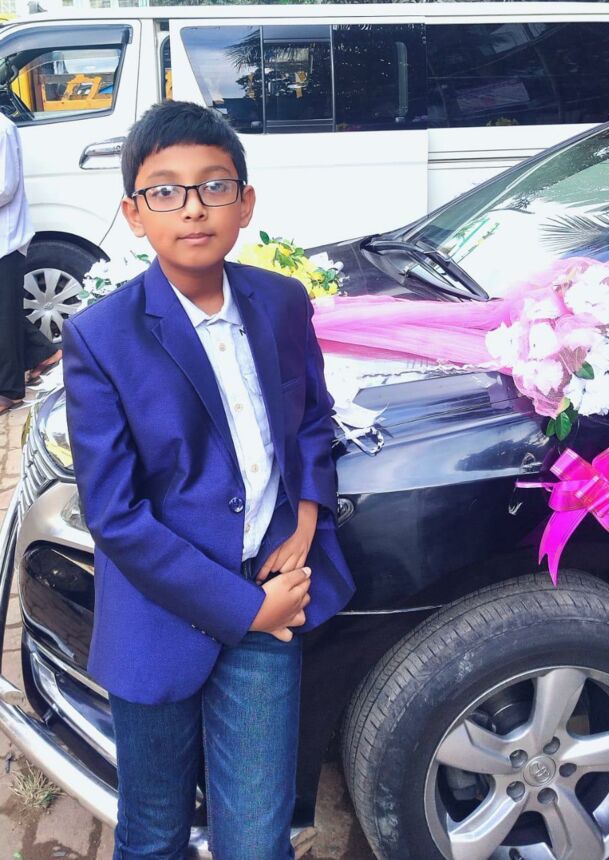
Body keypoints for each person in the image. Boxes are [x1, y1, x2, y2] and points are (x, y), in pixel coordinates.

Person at [62, 99, 355, 860]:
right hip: (162, 617)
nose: (193, 208)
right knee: (153, 828)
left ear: (245, 202)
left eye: (214, 186)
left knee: (256, 836)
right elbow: (116, 515)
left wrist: (307, 516)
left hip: (271, 586)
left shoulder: (280, 303)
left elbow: (312, 417)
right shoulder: (101, 337)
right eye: (165, 190)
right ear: (134, 213)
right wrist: (246, 609)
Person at [0, 112, 61, 416]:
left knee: (3, 315)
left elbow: (4, 188)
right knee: (5, 311)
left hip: (5, 239)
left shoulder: (2, 128)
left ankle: (8, 391)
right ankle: (43, 353)